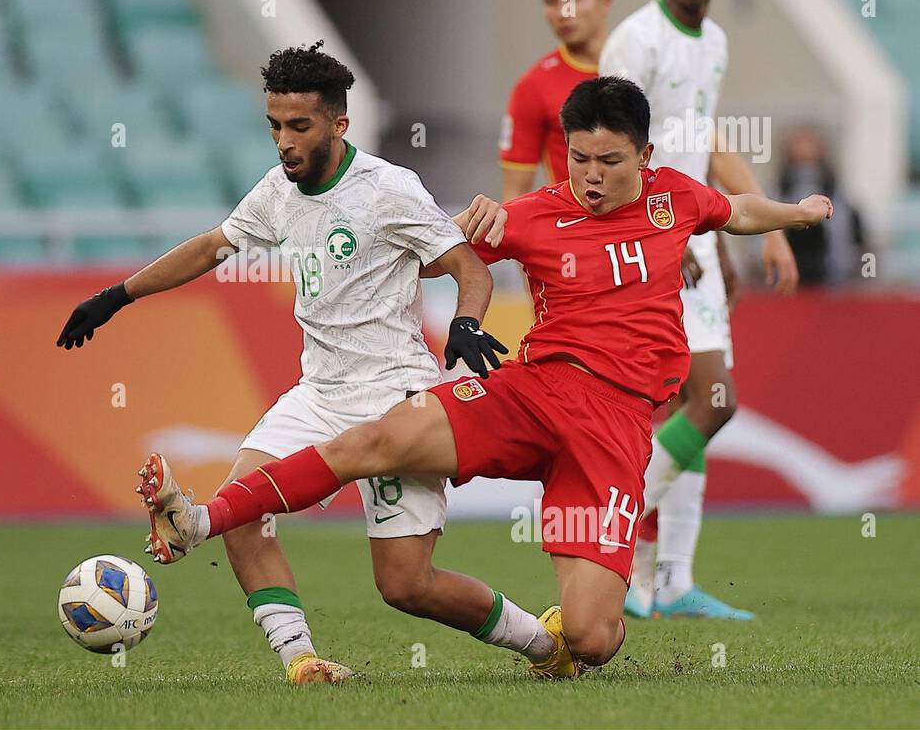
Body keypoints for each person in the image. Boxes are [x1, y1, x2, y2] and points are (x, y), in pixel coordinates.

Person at [137, 76, 833, 678]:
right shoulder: (532, 214)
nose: (592, 175)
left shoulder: (673, 200)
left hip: (612, 432)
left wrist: (795, 214)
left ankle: (558, 637)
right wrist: (474, 223)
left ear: (645, 158)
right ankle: (199, 518)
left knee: (593, 639)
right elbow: (439, 243)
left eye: (610, 162)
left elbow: (734, 211)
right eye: (580, 159)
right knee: (375, 441)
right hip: (528, 392)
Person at [58, 42, 534, 684]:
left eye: (299, 126)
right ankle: (301, 661)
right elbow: (208, 248)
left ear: (339, 124)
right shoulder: (277, 193)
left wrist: (467, 321)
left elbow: (467, 267)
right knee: (244, 515)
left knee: (406, 586)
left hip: (397, 397)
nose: (284, 142)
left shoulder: (388, 189)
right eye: (274, 126)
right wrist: (116, 296)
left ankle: (544, 642)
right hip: (318, 393)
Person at [600, 0, 799, 619]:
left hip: (691, 242)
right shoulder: (636, 39)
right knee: (715, 401)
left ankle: (673, 580)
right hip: (650, 244)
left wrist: (742, 229)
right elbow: (609, 141)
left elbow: (698, 138)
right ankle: (612, 533)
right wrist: (664, 233)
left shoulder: (712, 41)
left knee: (698, 404)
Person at [499, 0, 612, 200]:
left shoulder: (646, 67)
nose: (564, 13)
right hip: (578, 234)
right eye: (552, 1)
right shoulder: (533, 86)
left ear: (605, 1)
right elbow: (514, 196)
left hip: (655, 231)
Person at [775, 126, 865, 285]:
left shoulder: (844, 205)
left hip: (833, 286)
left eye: (811, 162)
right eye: (799, 161)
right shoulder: (771, 199)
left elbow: (857, 250)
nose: (805, 172)